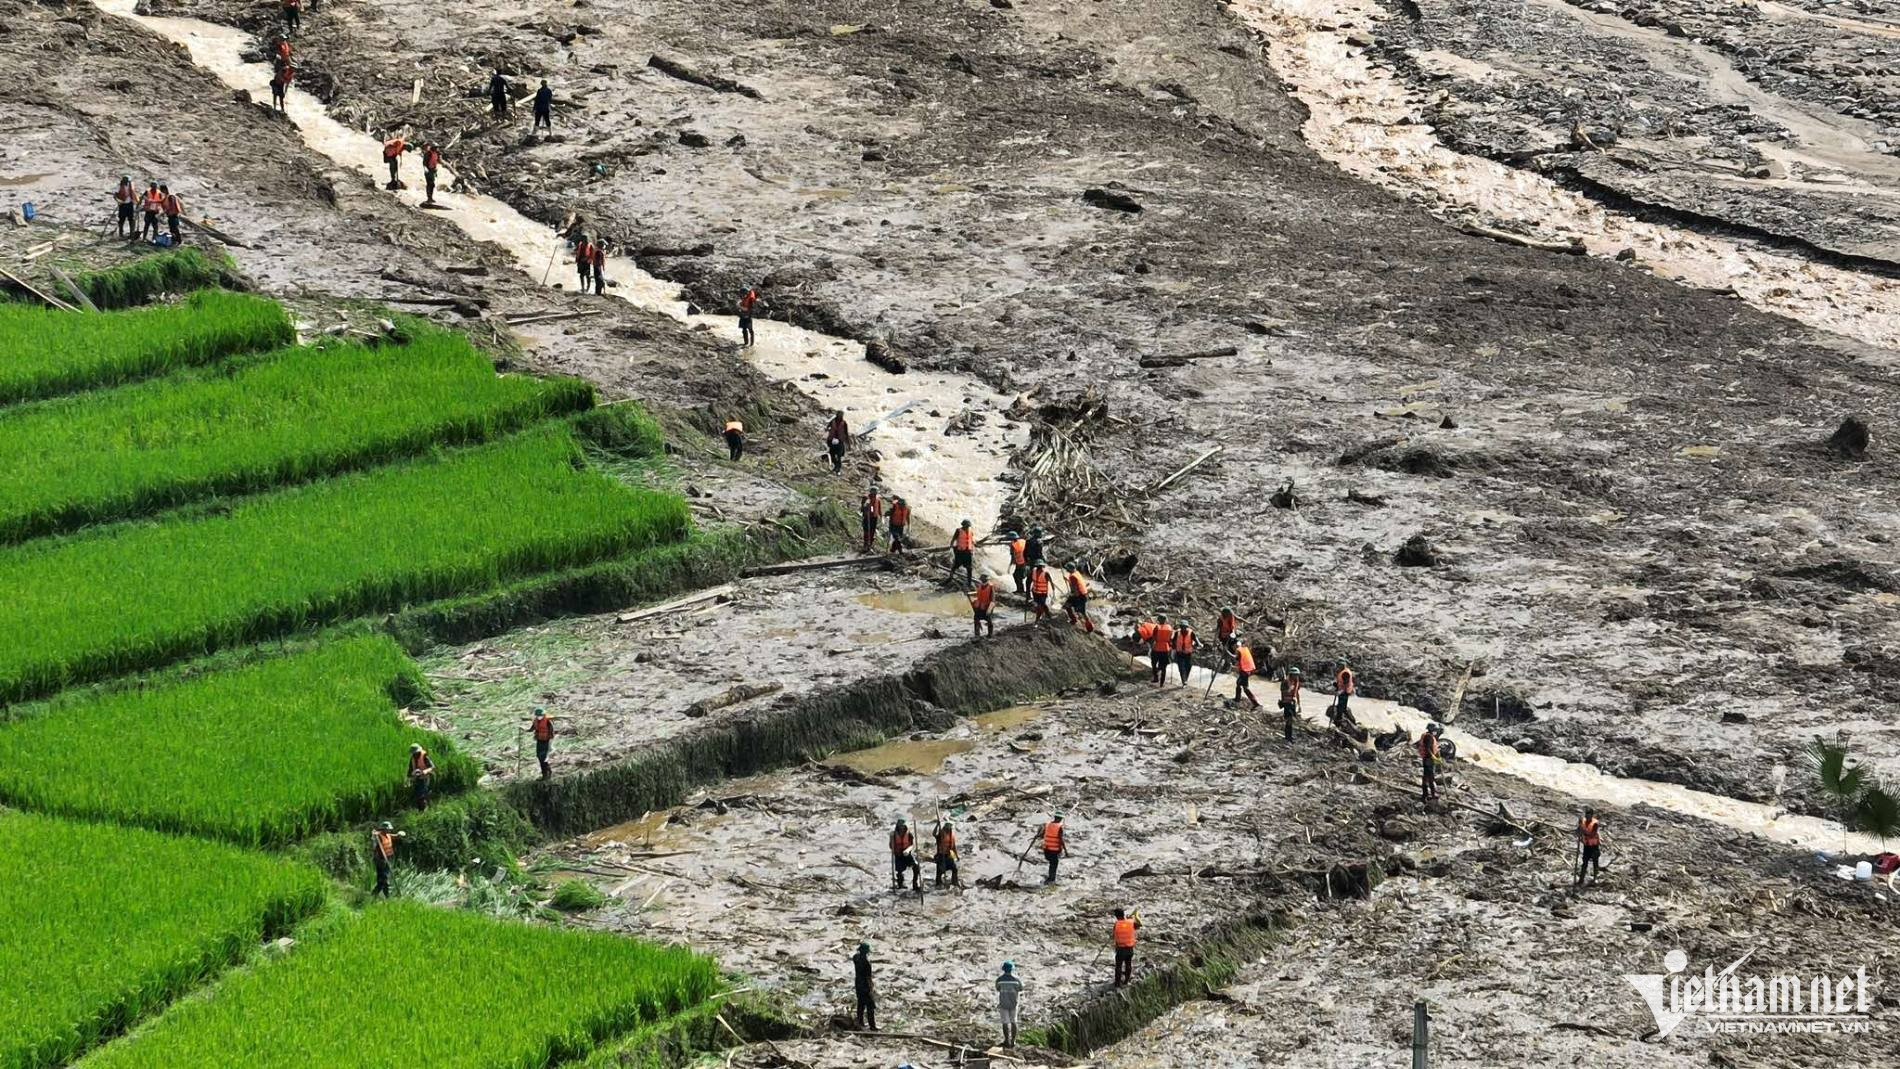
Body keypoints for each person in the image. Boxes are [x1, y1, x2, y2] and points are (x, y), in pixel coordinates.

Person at [994, 961, 1024, 1048]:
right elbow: (1021, 989)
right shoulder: (1016, 980)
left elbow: (998, 988)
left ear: (1003, 969)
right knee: (1014, 1021)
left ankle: (1006, 1040)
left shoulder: (999, 980)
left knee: (1005, 1022)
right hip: (1013, 1003)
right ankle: (1013, 1041)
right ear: (1012, 970)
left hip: (1003, 1003)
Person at [370, 821, 403, 897]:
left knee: (384, 880)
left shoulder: (388, 835)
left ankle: (378, 896)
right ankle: (378, 895)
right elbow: (373, 846)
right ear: (383, 829)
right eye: (388, 829)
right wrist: (374, 835)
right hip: (381, 860)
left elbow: (394, 836)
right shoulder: (378, 836)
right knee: (383, 880)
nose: (389, 830)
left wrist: (399, 835)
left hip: (388, 860)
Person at [1032, 813, 1066, 884]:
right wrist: (1065, 850)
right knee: (1054, 864)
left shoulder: (1047, 825)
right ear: (1060, 819)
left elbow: (1042, 835)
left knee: (1051, 863)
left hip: (1046, 849)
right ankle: (1051, 879)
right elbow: (1061, 839)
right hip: (1054, 849)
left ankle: (1050, 877)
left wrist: (1037, 836)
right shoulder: (1060, 827)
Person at [1112, 908, 1141, 987]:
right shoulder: (1130, 922)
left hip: (1120, 949)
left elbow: (1114, 936)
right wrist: (1132, 918)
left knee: (1118, 966)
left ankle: (1117, 983)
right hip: (1129, 948)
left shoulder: (1116, 924)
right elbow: (1138, 925)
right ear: (1123, 914)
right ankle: (1126, 981)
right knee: (1128, 964)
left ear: (1116, 916)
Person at [1063, 563, 1094, 633]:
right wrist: (1067, 580)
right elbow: (1075, 583)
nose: (1066, 570)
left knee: (1069, 607)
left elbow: (1075, 590)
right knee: (1082, 612)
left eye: (1067, 569)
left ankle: (1075, 620)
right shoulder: (1076, 573)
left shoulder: (1072, 576)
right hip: (1083, 594)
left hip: (1079, 596)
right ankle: (1088, 625)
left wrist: (1071, 595)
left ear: (1070, 569)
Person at [852, 943, 877, 1030]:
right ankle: (872, 1026)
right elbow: (868, 978)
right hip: (865, 986)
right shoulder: (867, 964)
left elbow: (855, 956)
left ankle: (860, 1022)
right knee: (870, 1006)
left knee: (860, 1004)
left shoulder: (856, 958)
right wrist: (871, 989)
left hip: (858, 984)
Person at [1575, 807, 1603, 886]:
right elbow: (1577, 831)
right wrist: (1579, 828)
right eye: (1586, 816)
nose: (1587, 817)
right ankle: (1581, 879)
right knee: (1584, 862)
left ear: (1592, 816)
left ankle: (1595, 879)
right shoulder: (1583, 821)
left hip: (1594, 846)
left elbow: (1592, 834)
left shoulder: (1595, 824)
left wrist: (1583, 831)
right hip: (1586, 845)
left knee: (1595, 861)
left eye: (1589, 816)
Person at [932, 818, 961, 888]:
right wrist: (937, 825)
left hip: (948, 855)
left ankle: (954, 882)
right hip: (941, 855)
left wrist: (957, 856)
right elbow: (934, 834)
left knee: (954, 869)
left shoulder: (952, 836)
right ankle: (938, 883)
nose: (948, 828)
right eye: (947, 826)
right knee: (940, 871)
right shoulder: (941, 834)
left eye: (950, 826)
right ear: (945, 826)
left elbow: (954, 847)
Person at [1233, 638, 1261, 709]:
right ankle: (1237, 699)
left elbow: (1235, 658)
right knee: (1238, 683)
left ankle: (1255, 703)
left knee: (1245, 688)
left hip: (1245, 671)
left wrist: (1227, 653)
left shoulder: (1239, 651)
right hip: (1248, 669)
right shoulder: (1245, 649)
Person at [889, 819, 917, 890]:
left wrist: (907, 850)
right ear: (898, 826)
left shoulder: (909, 834)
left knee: (916, 867)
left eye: (903, 826)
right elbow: (891, 846)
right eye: (900, 826)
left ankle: (915, 883)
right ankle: (900, 885)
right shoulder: (894, 834)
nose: (901, 827)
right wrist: (891, 839)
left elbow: (912, 845)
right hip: (898, 855)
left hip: (907, 854)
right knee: (899, 871)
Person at [528, 707, 555, 780]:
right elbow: (532, 728)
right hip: (539, 740)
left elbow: (552, 732)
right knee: (539, 756)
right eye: (537, 716)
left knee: (543, 758)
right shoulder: (536, 721)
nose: (539, 717)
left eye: (540, 715)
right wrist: (524, 729)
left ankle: (546, 774)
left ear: (544, 715)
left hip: (546, 741)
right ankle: (546, 773)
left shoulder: (548, 722)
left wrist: (550, 744)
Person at [949, 520, 977, 589]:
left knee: (969, 568)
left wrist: (974, 544)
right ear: (963, 525)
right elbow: (953, 539)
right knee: (956, 565)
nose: (967, 527)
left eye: (968, 526)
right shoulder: (958, 531)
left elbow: (971, 540)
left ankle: (969, 583)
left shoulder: (970, 531)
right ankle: (950, 577)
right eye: (966, 526)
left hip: (968, 552)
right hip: (960, 552)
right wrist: (951, 547)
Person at [1277, 666, 1303, 741]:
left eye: (1297, 675)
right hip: (1287, 702)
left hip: (1292, 702)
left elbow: (1297, 693)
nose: (1296, 676)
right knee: (1289, 719)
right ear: (1291, 675)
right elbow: (1283, 693)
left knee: (1291, 720)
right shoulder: (1285, 682)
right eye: (1295, 675)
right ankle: (1288, 737)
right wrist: (1289, 689)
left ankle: (1289, 736)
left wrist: (1299, 704)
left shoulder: (1296, 681)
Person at [407, 743, 435, 810]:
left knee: (422, 795)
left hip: (425, 778)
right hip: (417, 779)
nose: (414, 754)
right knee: (417, 796)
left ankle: (424, 810)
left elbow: (432, 767)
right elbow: (410, 769)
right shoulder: (412, 758)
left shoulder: (424, 757)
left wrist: (424, 772)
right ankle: (420, 810)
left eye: (416, 752)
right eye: (413, 753)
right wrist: (410, 777)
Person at [1417, 723, 1441, 801]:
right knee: (1430, 777)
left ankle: (1425, 794)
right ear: (1432, 730)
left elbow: (1430, 748)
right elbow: (1428, 749)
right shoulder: (1429, 737)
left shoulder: (1427, 736)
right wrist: (1434, 757)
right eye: (1435, 730)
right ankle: (1432, 795)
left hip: (1426, 759)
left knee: (1426, 777)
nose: (1436, 732)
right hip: (1429, 760)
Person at [1149, 619, 1175, 684]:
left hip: (1157, 647)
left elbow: (1153, 637)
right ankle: (1162, 681)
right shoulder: (1169, 628)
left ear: (1159, 620)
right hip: (1166, 648)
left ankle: (1156, 677)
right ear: (1165, 621)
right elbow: (1171, 638)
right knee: (1164, 666)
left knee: (1154, 663)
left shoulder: (1157, 627)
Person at [1172, 620, 1196, 687]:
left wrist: (1198, 644)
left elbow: (1196, 640)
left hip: (1188, 653)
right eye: (1182, 627)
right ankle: (1184, 681)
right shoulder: (1177, 633)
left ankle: (1186, 679)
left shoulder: (1191, 633)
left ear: (1187, 627)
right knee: (1181, 667)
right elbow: (1173, 640)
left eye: (1185, 627)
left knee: (1188, 667)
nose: (1183, 629)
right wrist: (1173, 646)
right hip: (1179, 653)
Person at [859, 484, 881, 554]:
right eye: (873, 494)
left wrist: (881, 516)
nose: (874, 495)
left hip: (874, 517)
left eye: (875, 494)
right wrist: (866, 506)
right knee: (866, 531)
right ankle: (866, 544)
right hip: (867, 517)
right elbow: (863, 506)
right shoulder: (867, 498)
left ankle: (870, 544)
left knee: (872, 531)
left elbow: (878, 508)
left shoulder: (878, 499)